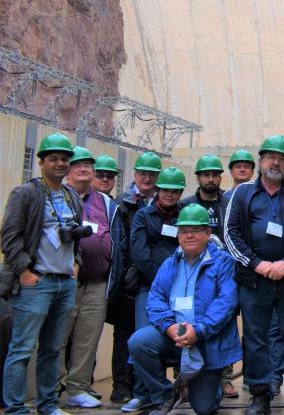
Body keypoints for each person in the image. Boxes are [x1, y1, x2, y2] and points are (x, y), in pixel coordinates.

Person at [225, 135, 284, 415]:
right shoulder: (242, 193)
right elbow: (230, 233)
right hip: (255, 279)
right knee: (255, 337)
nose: (275, 162)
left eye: (281, 158)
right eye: (270, 157)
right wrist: (257, 264)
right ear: (260, 160)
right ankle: (260, 394)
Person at [128, 203, 242, 415]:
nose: (189, 235)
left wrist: (198, 331)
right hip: (174, 334)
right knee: (138, 342)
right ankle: (164, 395)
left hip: (206, 339)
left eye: (196, 230)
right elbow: (155, 298)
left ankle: (212, 388)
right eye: (183, 231)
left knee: (204, 408)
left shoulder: (223, 262)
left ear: (208, 233)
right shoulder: (170, 263)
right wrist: (169, 327)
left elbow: (226, 303)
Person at [0, 133, 82, 415]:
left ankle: (48, 405)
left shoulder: (71, 195)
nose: (60, 163)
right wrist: (24, 271)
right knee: (22, 349)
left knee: (53, 349)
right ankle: (15, 409)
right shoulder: (26, 193)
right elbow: (9, 237)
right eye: (54, 159)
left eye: (64, 159)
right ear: (41, 162)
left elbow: (76, 236)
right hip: (36, 282)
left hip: (64, 283)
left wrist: (76, 263)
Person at [59, 147, 127, 408]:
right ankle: (52, 388)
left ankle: (78, 387)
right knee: (57, 337)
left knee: (87, 339)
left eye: (88, 165)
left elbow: (116, 241)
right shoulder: (58, 198)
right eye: (78, 165)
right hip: (64, 281)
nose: (84, 169)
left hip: (98, 282)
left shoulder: (107, 203)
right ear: (68, 170)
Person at [124, 166, 185, 412]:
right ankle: (142, 393)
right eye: (165, 190)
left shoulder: (186, 215)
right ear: (158, 190)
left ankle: (177, 389)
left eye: (175, 191)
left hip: (181, 290)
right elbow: (139, 252)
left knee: (179, 337)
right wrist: (162, 281)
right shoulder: (144, 216)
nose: (169, 195)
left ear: (181, 192)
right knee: (143, 338)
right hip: (148, 287)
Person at [178, 154, 237, 398]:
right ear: (198, 177)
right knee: (183, 318)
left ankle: (224, 377)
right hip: (191, 271)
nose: (210, 179)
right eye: (206, 174)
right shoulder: (186, 205)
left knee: (224, 322)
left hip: (222, 273)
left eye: (214, 174)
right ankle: (181, 379)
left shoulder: (229, 202)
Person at [109, 151, 162, 404]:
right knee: (124, 334)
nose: (148, 178)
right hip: (129, 279)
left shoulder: (165, 204)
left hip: (155, 279)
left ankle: (148, 386)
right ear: (135, 175)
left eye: (152, 174)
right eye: (143, 173)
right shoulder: (123, 204)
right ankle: (122, 384)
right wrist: (124, 273)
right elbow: (118, 243)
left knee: (151, 334)